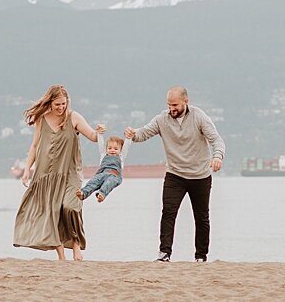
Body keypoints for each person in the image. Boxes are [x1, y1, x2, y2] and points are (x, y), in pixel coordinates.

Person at [124, 86, 225, 263]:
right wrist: (133, 134)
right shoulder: (162, 119)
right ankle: (164, 254)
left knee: (201, 216)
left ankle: (201, 256)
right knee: (168, 213)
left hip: (200, 176)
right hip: (175, 175)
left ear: (186, 102)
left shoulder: (199, 117)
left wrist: (217, 157)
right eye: (169, 105)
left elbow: (216, 140)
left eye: (175, 105)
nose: (172, 109)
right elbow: (144, 133)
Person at [13, 84, 105, 261]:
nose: (61, 108)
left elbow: (93, 137)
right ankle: (61, 256)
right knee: (52, 212)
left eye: (64, 104)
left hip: (70, 173)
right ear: (50, 103)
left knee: (70, 207)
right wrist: (27, 170)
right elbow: (35, 145)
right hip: (46, 174)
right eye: (57, 105)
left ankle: (76, 245)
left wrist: (99, 132)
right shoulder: (42, 119)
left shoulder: (73, 117)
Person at [76, 135, 123, 202]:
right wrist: (100, 134)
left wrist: (129, 137)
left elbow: (126, 147)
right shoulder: (104, 155)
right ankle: (83, 193)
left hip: (114, 176)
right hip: (102, 173)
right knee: (93, 182)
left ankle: (101, 194)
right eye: (110, 148)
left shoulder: (121, 157)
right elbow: (101, 144)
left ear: (120, 150)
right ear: (106, 149)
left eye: (116, 149)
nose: (112, 150)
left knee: (108, 183)